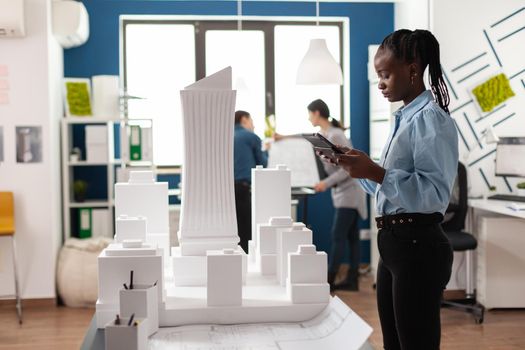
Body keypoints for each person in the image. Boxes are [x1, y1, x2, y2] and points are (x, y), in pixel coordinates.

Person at [325, 29, 458, 350]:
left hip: (418, 246)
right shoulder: (405, 118)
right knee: (394, 344)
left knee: (415, 344)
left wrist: (375, 170)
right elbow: (391, 192)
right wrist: (355, 168)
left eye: (385, 74)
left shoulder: (430, 119)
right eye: (378, 76)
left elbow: (433, 196)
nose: (381, 83)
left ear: (412, 69)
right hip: (396, 244)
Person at [306, 99, 367, 292]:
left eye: (309, 114)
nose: (308, 118)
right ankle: (352, 280)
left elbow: (350, 166)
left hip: (349, 191)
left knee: (338, 235)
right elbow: (331, 166)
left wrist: (326, 183)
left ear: (317, 113)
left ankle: (330, 278)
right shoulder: (323, 135)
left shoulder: (336, 134)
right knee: (351, 236)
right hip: (342, 192)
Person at [233, 110, 268, 253]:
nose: (253, 125)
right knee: (246, 231)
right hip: (243, 189)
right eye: (252, 121)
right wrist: (266, 150)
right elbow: (262, 164)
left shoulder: (224, 136)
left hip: (225, 191)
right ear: (244, 119)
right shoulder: (252, 137)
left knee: (232, 232)